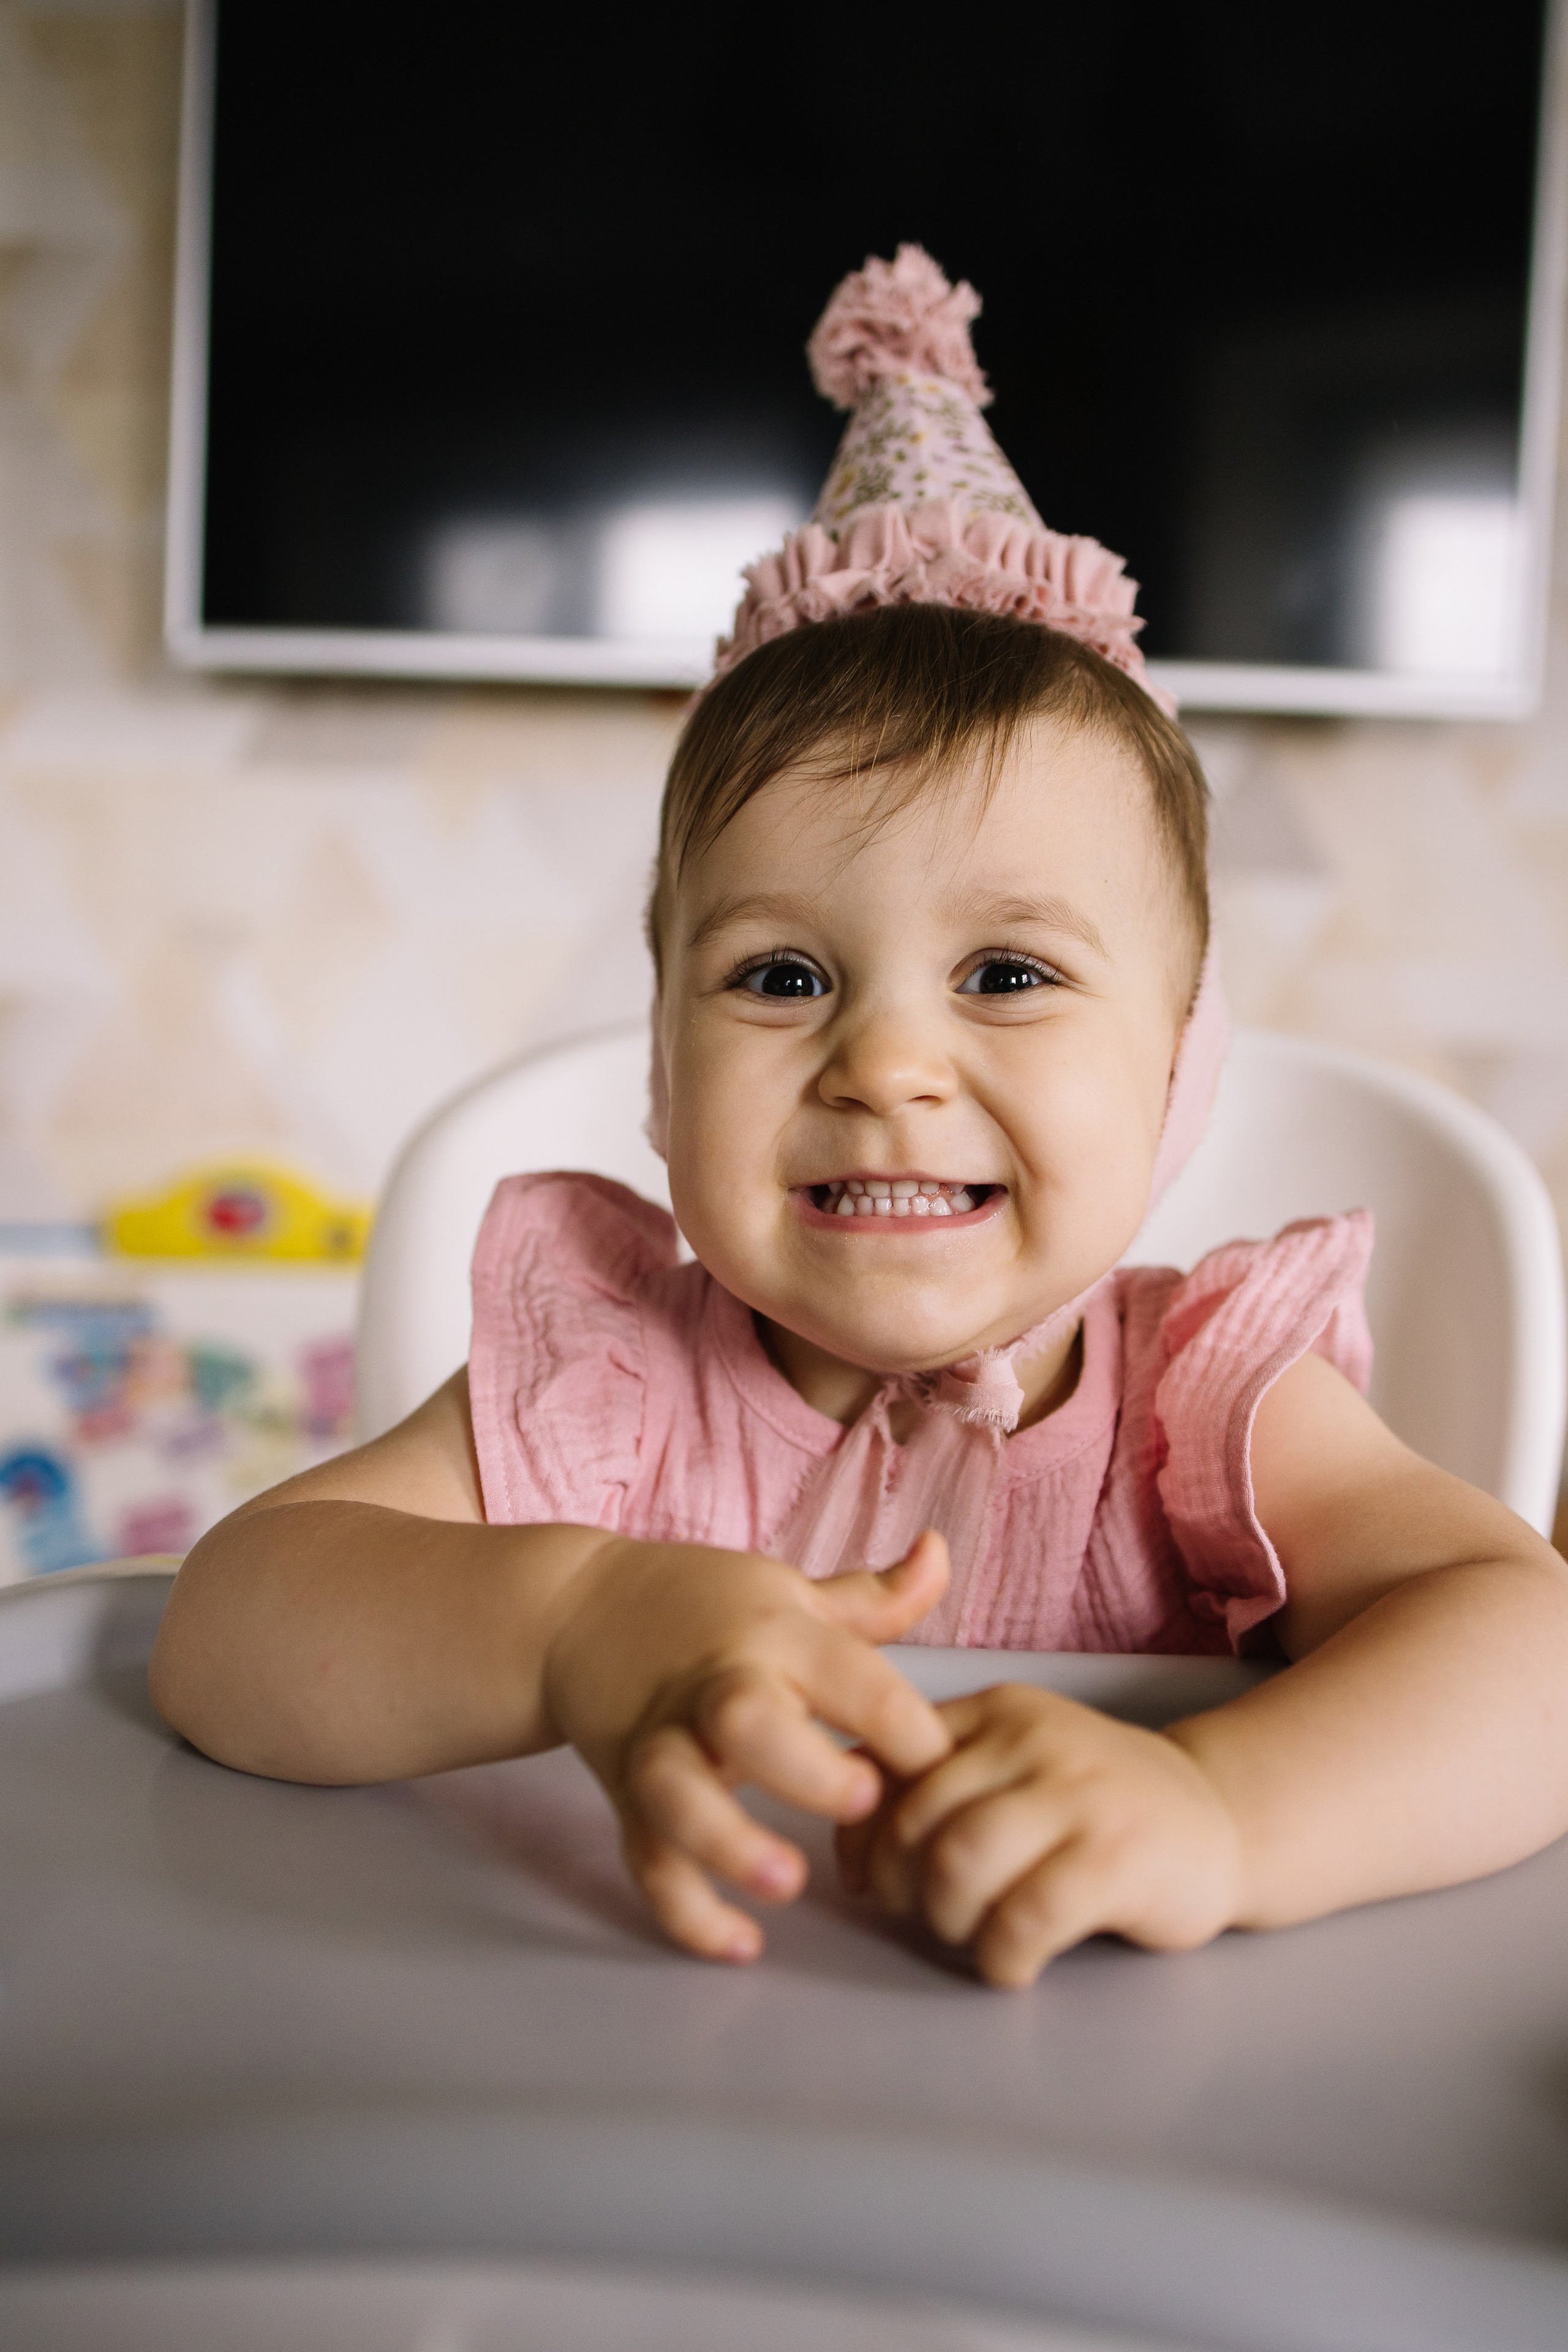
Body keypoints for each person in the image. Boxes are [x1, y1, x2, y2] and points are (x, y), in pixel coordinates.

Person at [149, 248, 1568, 1989]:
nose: (884, 1066)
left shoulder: (1208, 1407)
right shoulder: (613, 1395)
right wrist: (578, 1625)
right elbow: (227, 1630)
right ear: (662, 1081)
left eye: (1009, 976)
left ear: (1184, 1072)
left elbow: (1531, 1651)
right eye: (782, 980)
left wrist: (1224, 1811)